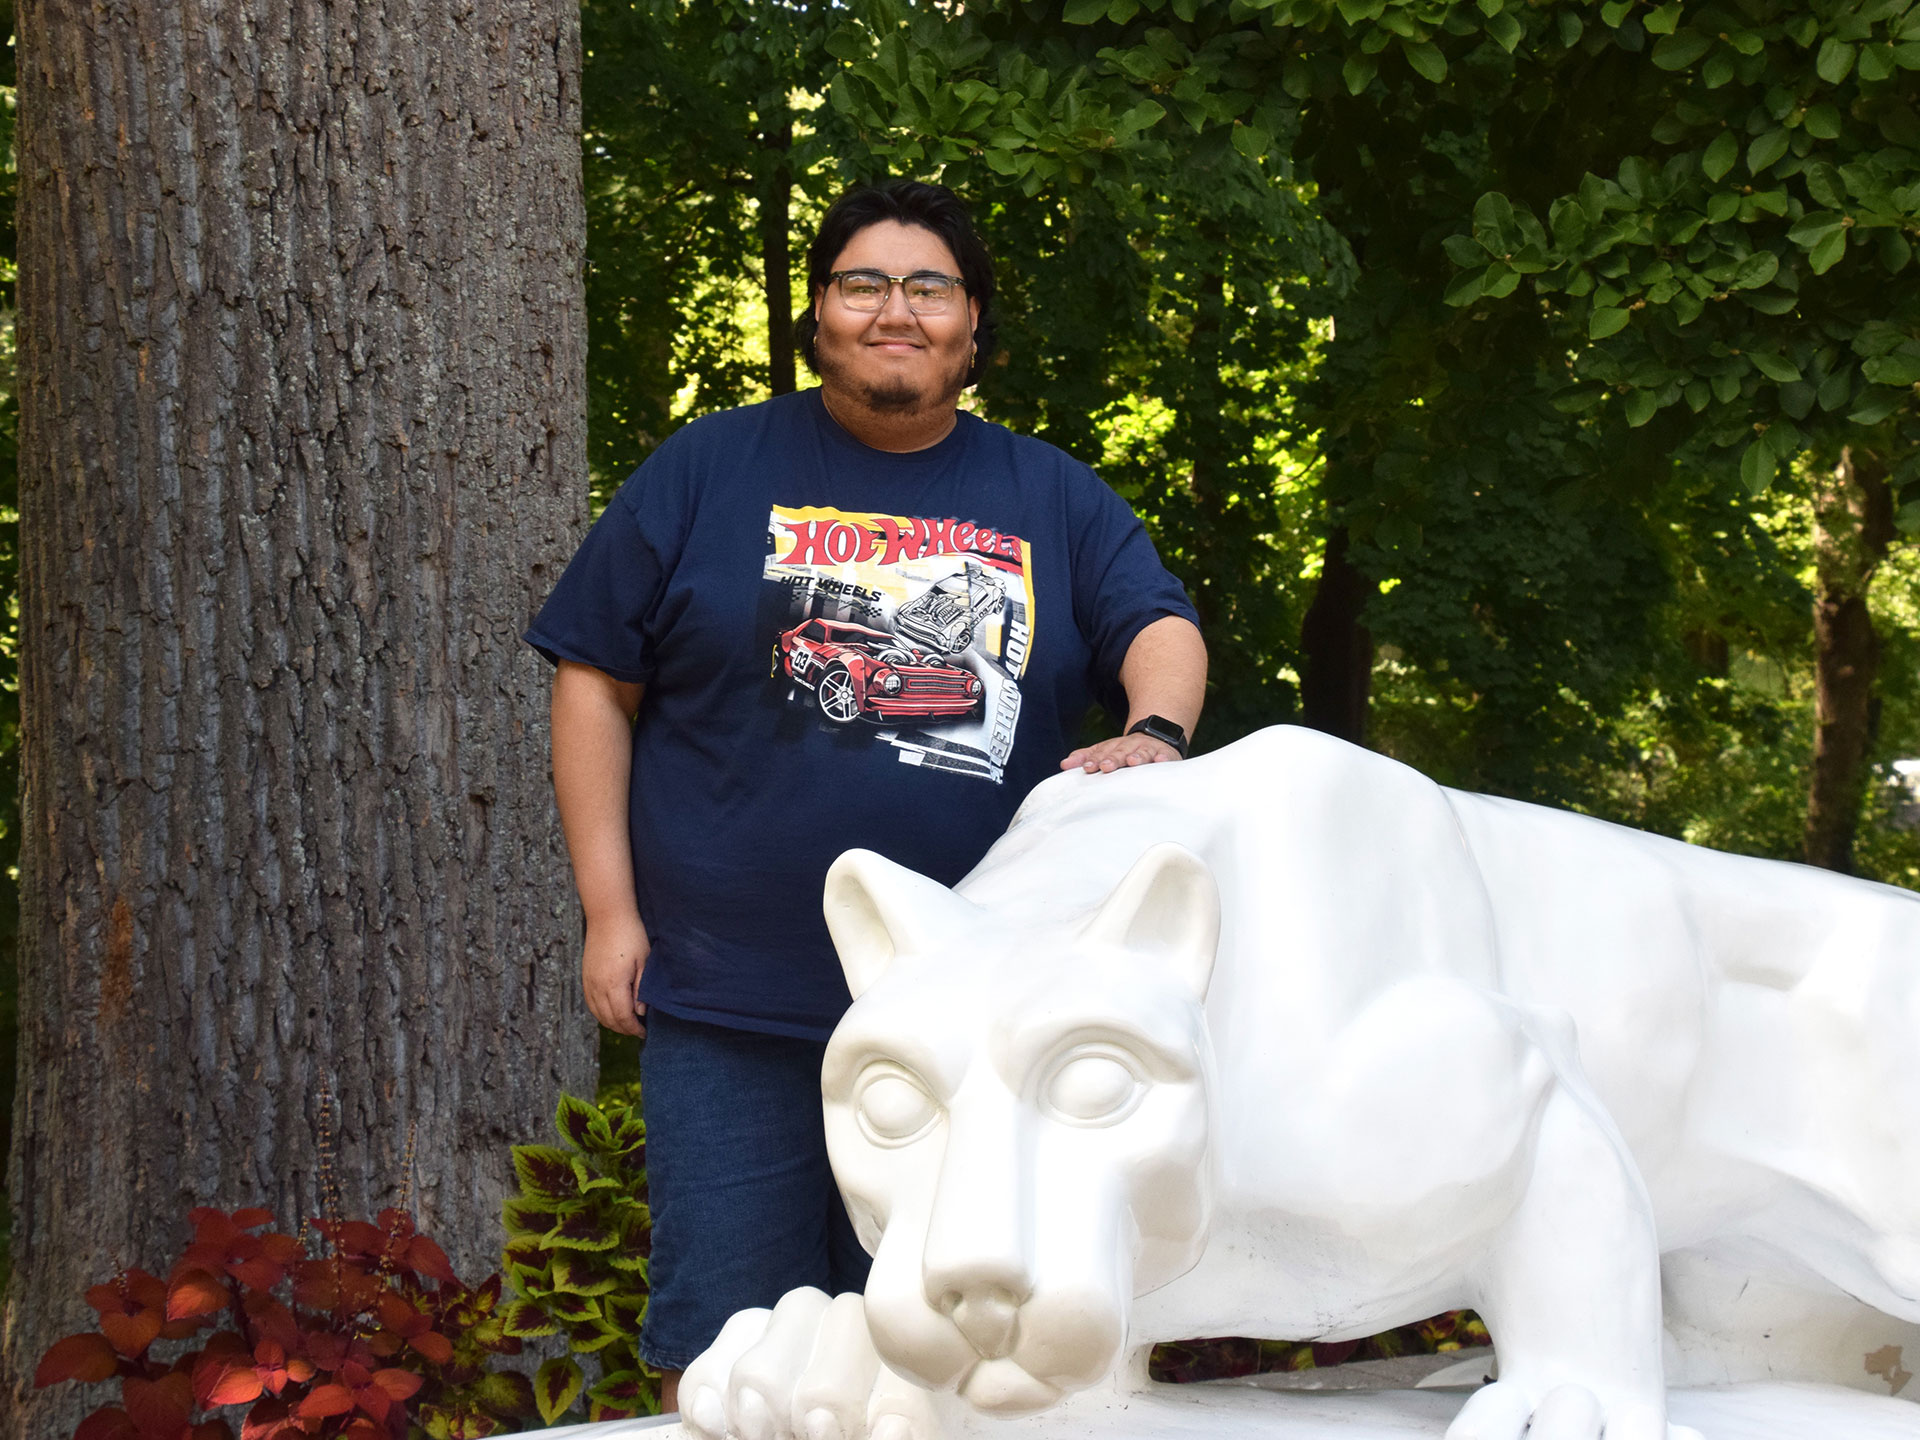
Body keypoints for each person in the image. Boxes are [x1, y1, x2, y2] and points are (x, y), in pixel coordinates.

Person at [524, 179, 1207, 1409]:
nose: (898, 308)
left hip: (980, 1045)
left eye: (930, 286)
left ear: (972, 327)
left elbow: (1158, 622)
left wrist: (1152, 733)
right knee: (731, 1359)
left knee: (957, 1368)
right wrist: (608, 910)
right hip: (736, 1003)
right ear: (822, 317)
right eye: (865, 283)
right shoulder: (710, 467)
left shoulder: (1050, 494)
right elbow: (594, 681)